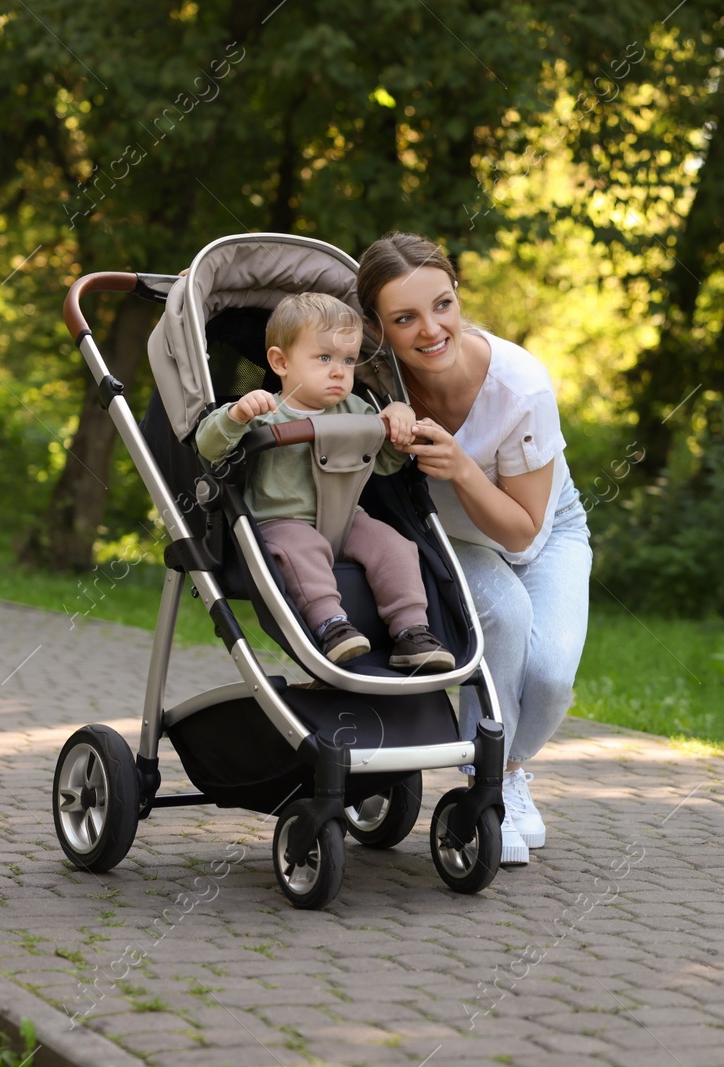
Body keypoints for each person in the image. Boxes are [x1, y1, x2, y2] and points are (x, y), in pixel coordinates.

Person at [356, 232, 592, 869]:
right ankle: (485, 793)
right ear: (378, 327)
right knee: (504, 621)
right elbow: (300, 333)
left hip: (545, 531)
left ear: (459, 297)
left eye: (443, 306)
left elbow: (522, 530)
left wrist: (461, 467)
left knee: (551, 674)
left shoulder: (521, 389)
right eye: (405, 318)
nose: (431, 330)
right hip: (451, 536)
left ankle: (506, 770)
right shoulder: (373, 378)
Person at [194, 291, 454, 672]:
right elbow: (208, 447)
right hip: (281, 522)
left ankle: (412, 631)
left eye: (349, 360)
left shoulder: (357, 410)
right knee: (303, 548)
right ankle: (331, 625)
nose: (339, 371)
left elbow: (382, 465)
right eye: (324, 358)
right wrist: (234, 416)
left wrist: (398, 422)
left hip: (347, 519)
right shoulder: (266, 411)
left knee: (395, 546)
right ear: (281, 362)